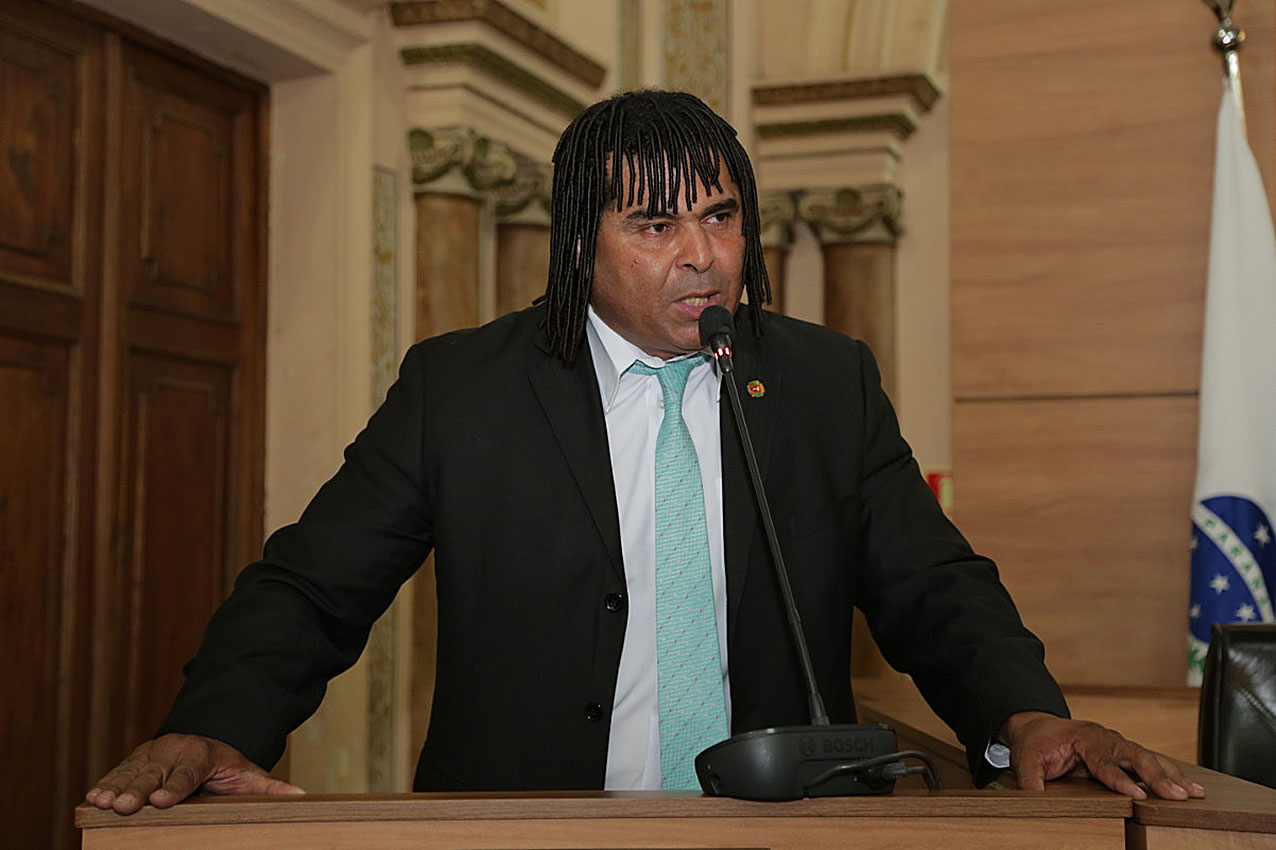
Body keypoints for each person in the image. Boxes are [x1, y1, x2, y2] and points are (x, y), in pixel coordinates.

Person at [87, 89, 1203, 814]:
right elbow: (311, 585)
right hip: (529, 831)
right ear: (582, 245)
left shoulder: (823, 383)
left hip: (784, 830)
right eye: (656, 226)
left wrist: (1025, 712)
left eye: (720, 217)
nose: (702, 256)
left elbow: (933, 583)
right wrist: (214, 726)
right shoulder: (462, 390)